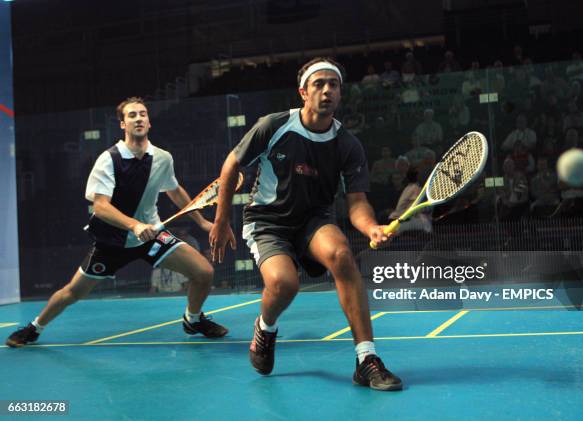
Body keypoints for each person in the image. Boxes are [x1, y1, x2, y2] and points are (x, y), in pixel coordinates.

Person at [209, 58, 402, 391]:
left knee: (342, 255)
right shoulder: (274, 126)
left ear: (340, 93)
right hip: (268, 221)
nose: (327, 90)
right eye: (319, 84)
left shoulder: (347, 144)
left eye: (334, 85)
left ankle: (366, 359)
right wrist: (222, 219)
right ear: (303, 92)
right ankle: (265, 328)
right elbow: (231, 166)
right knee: (285, 284)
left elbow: (357, 203)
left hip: (314, 221)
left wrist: (370, 227)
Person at [6, 97, 231, 347]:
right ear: (122, 124)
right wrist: (134, 225)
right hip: (111, 242)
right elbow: (100, 206)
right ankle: (35, 327)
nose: (138, 118)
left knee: (203, 272)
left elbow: (175, 190)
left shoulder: (162, 158)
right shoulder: (109, 159)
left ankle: (193, 319)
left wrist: (201, 222)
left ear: (149, 121)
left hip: (152, 236)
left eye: (143, 114)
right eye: (132, 115)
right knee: (73, 292)